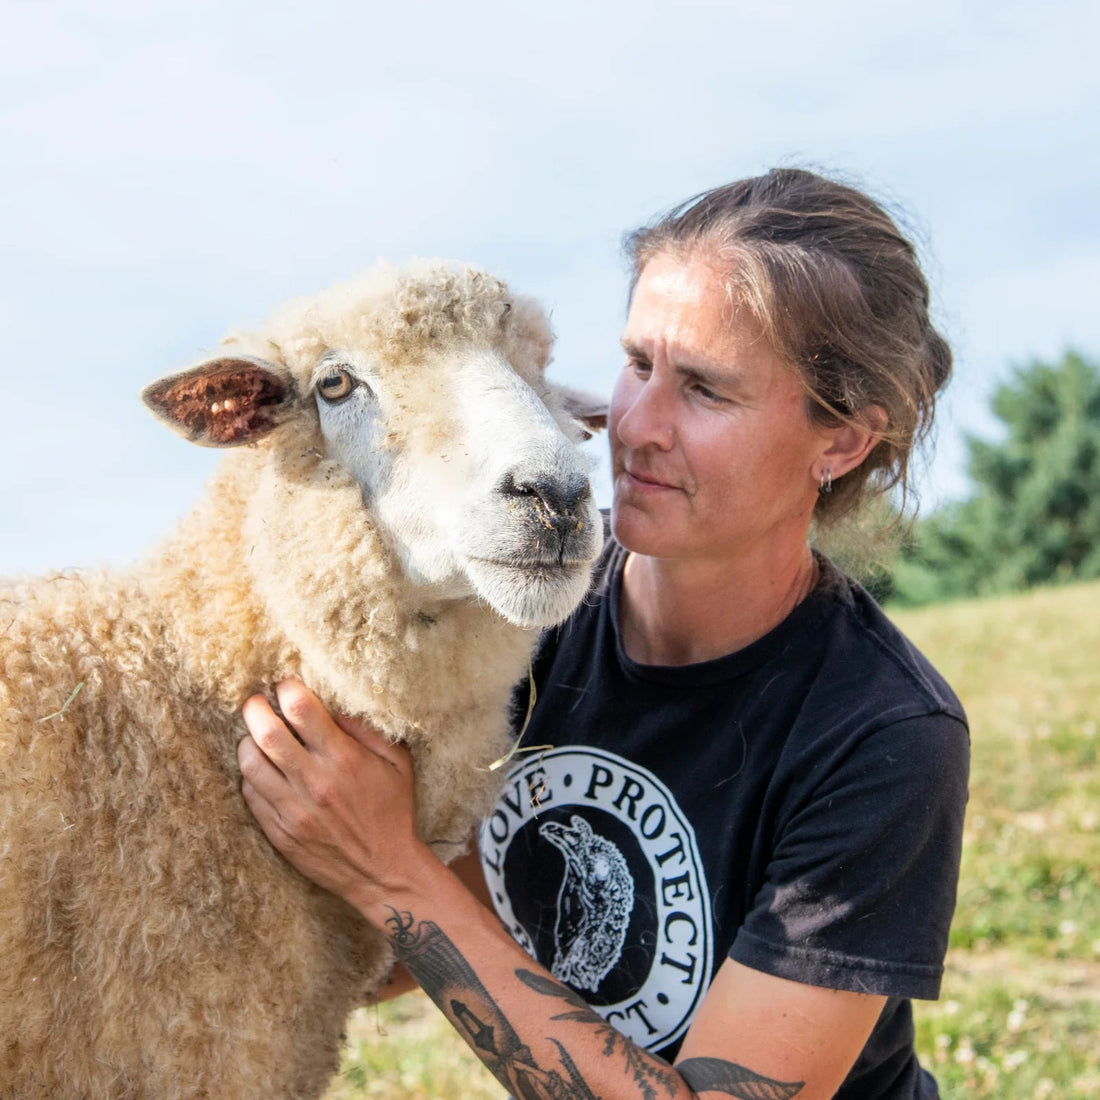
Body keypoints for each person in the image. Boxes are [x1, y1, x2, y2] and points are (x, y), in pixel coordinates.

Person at [237, 168, 969, 1099]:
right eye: (638, 364)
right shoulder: (516, 620)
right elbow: (389, 945)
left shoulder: (882, 737)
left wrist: (394, 874)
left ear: (841, 443)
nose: (632, 426)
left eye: (705, 390)